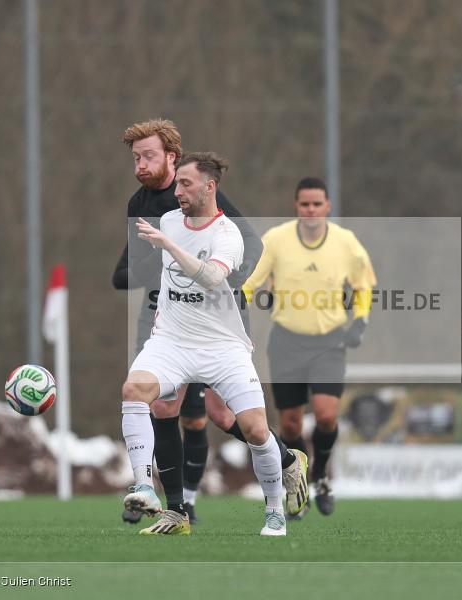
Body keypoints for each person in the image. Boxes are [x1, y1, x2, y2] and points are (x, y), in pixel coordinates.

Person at [114, 121, 308, 531]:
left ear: (172, 156)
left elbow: (246, 248)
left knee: (225, 417)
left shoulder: (206, 200)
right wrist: (137, 271)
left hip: (221, 319)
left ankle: (286, 462)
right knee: (158, 403)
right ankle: (174, 509)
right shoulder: (143, 205)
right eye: (135, 158)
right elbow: (139, 261)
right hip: (167, 318)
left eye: (148, 156)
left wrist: (221, 290)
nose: (140, 165)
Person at [243, 177, 376, 517]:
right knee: (289, 425)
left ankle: (320, 477)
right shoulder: (276, 239)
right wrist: (229, 314)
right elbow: (249, 284)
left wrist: (359, 320)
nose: (311, 210)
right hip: (286, 341)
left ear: (328, 206)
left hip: (329, 341)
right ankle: (296, 480)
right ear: (296, 206)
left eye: (318, 204)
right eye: (305, 204)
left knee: (328, 416)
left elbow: (364, 285)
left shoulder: (346, 243)